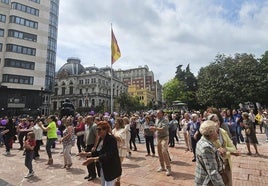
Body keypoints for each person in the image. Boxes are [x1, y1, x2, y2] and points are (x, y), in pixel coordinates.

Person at [82, 121, 122, 186]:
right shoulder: (101, 138)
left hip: (111, 168)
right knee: (103, 184)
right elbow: (98, 151)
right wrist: (86, 154)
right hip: (103, 167)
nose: (97, 131)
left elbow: (108, 155)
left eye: (99, 129)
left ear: (105, 130)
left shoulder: (111, 139)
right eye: (97, 129)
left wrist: (93, 159)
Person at [208, 113, 237, 186]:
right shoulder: (207, 135)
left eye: (217, 120)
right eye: (213, 121)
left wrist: (225, 149)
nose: (216, 123)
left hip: (226, 165)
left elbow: (233, 148)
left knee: (228, 183)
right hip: (215, 167)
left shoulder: (223, 132)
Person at [195, 120, 225, 186]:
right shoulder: (206, 147)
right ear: (211, 133)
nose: (217, 134)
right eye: (216, 131)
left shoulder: (203, 140)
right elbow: (213, 172)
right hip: (207, 182)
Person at [150, 110, 171, 176]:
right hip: (158, 137)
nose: (157, 114)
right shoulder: (156, 119)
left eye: (159, 113)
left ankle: (168, 168)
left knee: (164, 151)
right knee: (159, 152)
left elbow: (163, 129)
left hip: (165, 137)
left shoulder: (165, 120)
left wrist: (155, 128)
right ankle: (162, 166)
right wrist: (154, 131)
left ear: (162, 114)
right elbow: (156, 128)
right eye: (157, 113)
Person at [112, 117, 126, 186]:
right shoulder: (113, 130)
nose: (114, 123)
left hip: (120, 150)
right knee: (114, 164)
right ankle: (114, 178)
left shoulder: (123, 130)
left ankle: (118, 180)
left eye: (116, 122)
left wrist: (112, 135)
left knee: (118, 165)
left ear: (119, 123)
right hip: (114, 150)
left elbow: (120, 139)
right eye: (114, 122)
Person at [84, 115, 99, 181]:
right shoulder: (88, 126)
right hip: (88, 145)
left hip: (92, 146)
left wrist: (95, 146)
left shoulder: (94, 126)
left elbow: (97, 136)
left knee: (91, 161)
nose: (86, 121)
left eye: (87, 119)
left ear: (91, 120)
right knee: (88, 161)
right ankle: (90, 173)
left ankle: (93, 175)